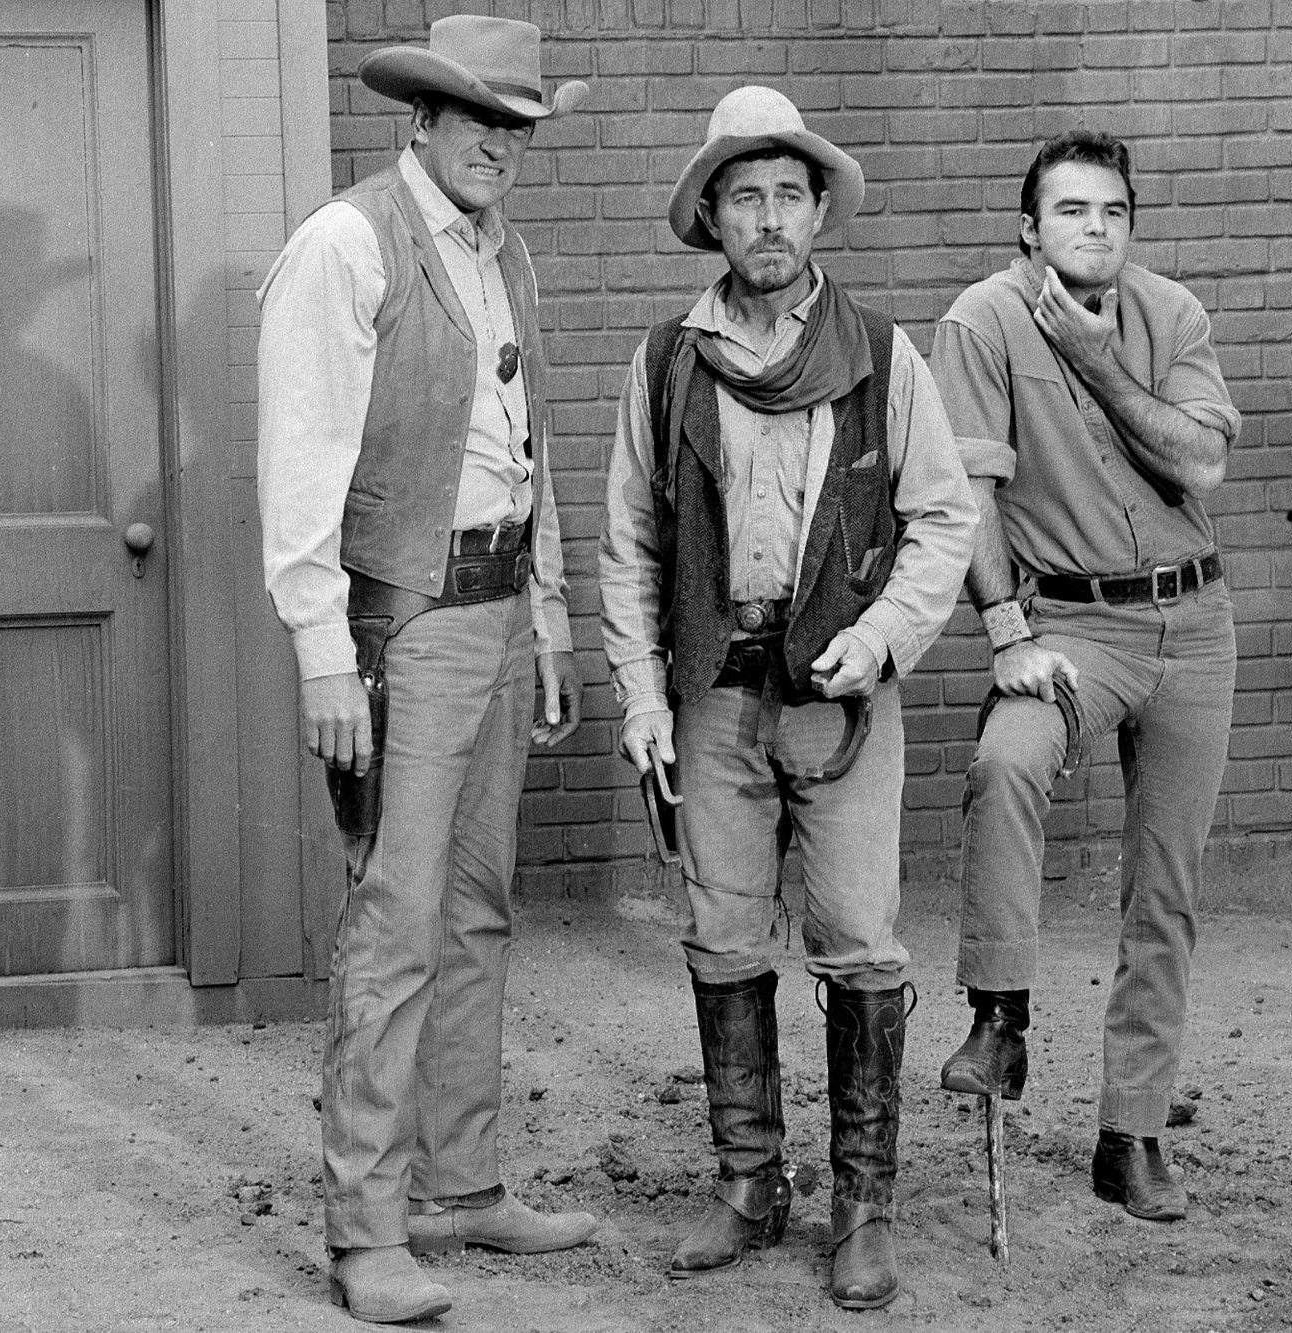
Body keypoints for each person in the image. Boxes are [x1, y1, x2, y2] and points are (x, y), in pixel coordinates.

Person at [597, 87, 975, 1308]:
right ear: (711, 216)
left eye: (787, 197)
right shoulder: (666, 363)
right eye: (744, 196)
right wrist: (640, 693)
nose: (767, 219)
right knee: (719, 930)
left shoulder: (878, 353)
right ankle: (748, 1183)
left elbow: (942, 520)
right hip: (713, 693)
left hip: (840, 694)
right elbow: (627, 545)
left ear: (819, 214)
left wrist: (882, 638)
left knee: (861, 937)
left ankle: (863, 1206)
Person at [254, 16, 598, 1324]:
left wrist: (552, 607)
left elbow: (529, 446)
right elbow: (301, 465)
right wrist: (321, 651)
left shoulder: (506, 252)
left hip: (501, 611)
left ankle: (463, 1183)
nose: (499, 146)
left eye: (517, 125)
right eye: (478, 119)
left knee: (477, 906)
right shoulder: (348, 245)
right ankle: (363, 1229)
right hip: (400, 621)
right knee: (394, 923)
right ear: (424, 119)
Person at [930, 129, 1241, 1225]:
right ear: (1028, 227)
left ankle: (1131, 1132)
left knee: (1165, 888)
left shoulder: (1170, 315)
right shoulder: (980, 320)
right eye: (1069, 211)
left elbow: (1200, 461)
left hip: (1192, 620)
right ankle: (999, 1018)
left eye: (1111, 211)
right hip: (1068, 620)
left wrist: (1105, 363)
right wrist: (1004, 626)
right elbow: (966, 489)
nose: (1093, 229)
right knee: (1006, 759)